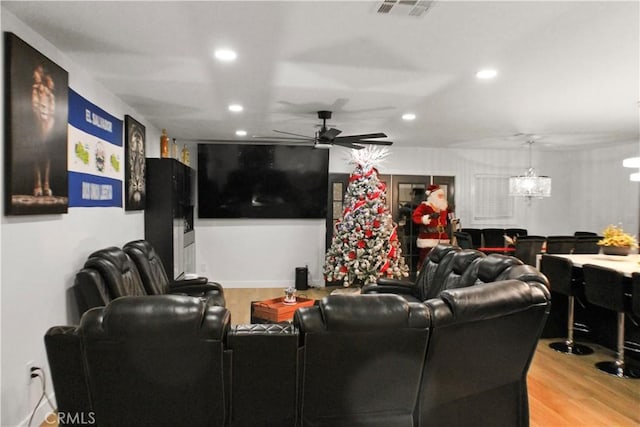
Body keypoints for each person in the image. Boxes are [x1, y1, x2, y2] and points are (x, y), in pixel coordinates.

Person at [412, 184, 450, 270]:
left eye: (442, 196)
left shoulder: (444, 207)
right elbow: (415, 217)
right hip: (427, 239)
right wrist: (426, 218)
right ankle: (422, 277)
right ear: (433, 196)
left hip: (442, 239)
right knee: (425, 260)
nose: (441, 197)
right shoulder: (424, 206)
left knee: (441, 262)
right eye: (439, 195)